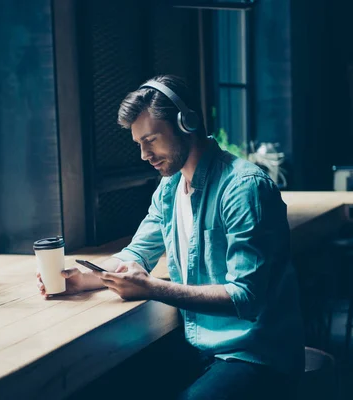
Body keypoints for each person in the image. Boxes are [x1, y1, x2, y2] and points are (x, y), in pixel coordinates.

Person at [37, 75, 304, 399]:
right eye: (139, 143)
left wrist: (153, 288)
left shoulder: (244, 187)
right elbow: (138, 253)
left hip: (256, 355)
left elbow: (246, 298)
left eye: (152, 139)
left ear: (187, 123)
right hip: (198, 345)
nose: (144, 154)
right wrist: (83, 279)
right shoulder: (169, 188)